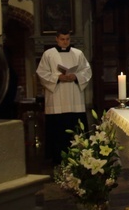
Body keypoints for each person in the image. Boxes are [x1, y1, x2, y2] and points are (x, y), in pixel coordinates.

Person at [36, 28, 92, 165]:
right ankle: (57, 158)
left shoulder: (78, 53)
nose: (65, 42)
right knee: (57, 132)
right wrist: (58, 77)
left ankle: (79, 157)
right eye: (62, 39)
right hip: (56, 100)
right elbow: (41, 73)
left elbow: (86, 71)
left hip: (74, 100)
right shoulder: (48, 54)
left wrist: (75, 76)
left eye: (67, 39)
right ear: (56, 39)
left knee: (75, 129)